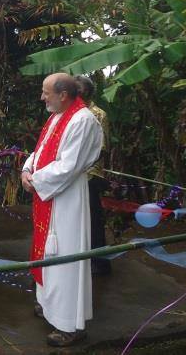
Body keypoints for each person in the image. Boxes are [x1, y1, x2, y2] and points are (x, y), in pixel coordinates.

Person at [21, 73, 103, 347]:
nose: (42, 97)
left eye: (46, 92)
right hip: (50, 195)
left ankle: (70, 325)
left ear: (63, 95)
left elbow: (70, 166)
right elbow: (40, 149)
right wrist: (26, 170)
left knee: (66, 257)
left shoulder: (82, 120)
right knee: (47, 253)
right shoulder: (57, 115)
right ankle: (49, 305)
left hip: (66, 199)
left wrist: (36, 180)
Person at [76, 75, 112, 275]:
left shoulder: (98, 114)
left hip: (91, 174)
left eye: (79, 91)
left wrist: (82, 164)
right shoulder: (71, 113)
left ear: (88, 92)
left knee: (93, 220)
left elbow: (102, 149)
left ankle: (100, 263)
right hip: (73, 175)